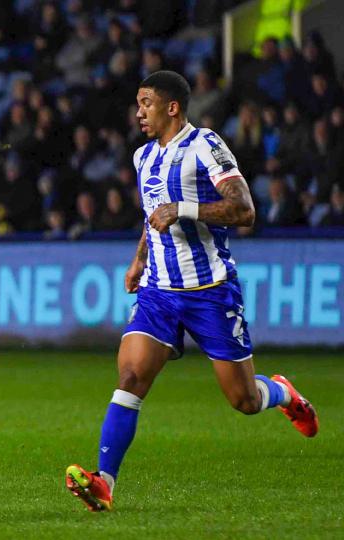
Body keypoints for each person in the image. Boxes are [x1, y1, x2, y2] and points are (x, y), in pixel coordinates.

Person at [65, 71, 319, 512]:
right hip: (159, 292)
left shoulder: (205, 145)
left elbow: (244, 210)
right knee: (129, 378)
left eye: (146, 102)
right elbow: (152, 215)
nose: (138, 111)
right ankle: (103, 482)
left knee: (244, 400)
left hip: (211, 292)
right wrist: (140, 258)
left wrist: (183, 209)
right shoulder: (143, 157)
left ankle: (282, 393)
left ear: (172, 107)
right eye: (137, 103)